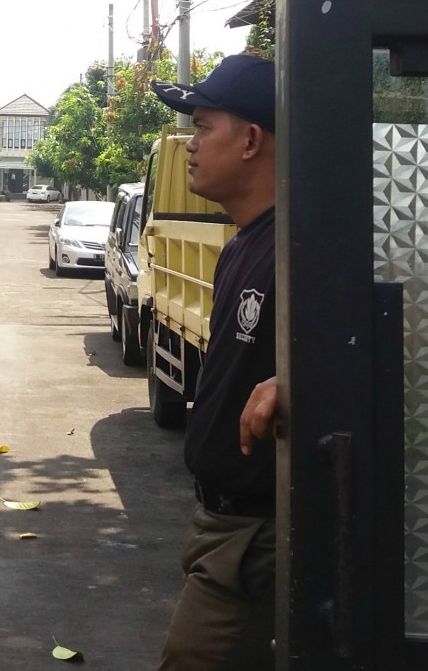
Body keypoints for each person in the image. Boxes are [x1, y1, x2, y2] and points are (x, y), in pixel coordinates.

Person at [149, 54, 280, 670]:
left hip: (257, 538)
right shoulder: (241, 248)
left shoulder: (302, 247)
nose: (188, 145)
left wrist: (297, 382)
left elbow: (389, 349)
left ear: (251, 139)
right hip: (219, 526)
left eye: (202, 127)